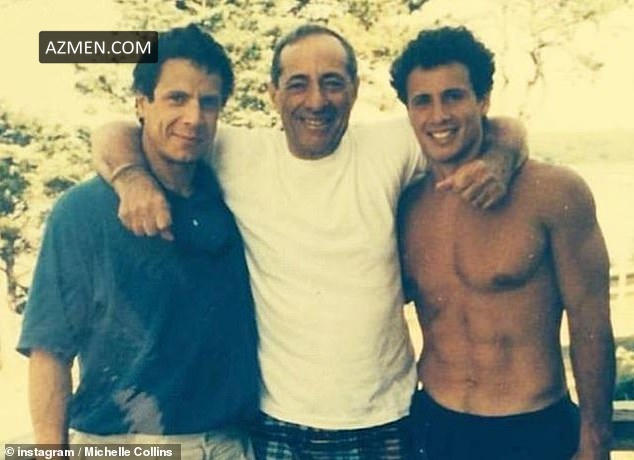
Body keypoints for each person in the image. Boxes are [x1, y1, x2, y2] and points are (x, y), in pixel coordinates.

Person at [92, 24, 527, 459]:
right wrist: (132, 180)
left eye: (332, 83)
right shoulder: (237, 152)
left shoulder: (393, 145)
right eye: (298, 84)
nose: (316, 101)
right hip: (280, 423)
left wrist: (500, 161)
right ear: (273, 93)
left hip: (386, 419)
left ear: (354, 90)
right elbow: (116, 131)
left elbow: (498, 127)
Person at [17, 24, 259, 459]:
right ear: (142, 103)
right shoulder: (83, 211)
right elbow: (50, 351)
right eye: (176, 98)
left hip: (226, 442)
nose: (193, 118)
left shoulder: (233, 194)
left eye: (208, 102)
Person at [391, 26, 615, 460]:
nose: (439, 115)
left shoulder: (554, 192)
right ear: (409, 111)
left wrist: (596, 438)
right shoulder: (406, 204)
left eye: (453, 96)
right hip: (435, 425)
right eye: (423, 101)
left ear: (483, 100)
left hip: (532, 426)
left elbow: (591, 323)